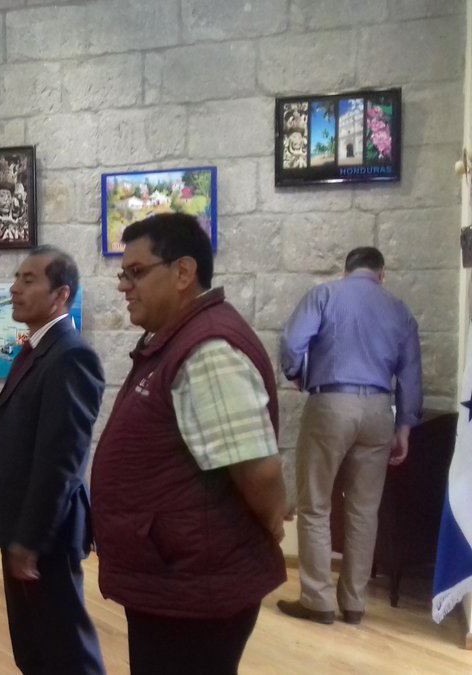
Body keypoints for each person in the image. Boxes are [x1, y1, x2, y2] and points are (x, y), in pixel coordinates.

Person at [92, 213, 287, 675]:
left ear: (183, 272)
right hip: (176, 577)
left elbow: (259, 471)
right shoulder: (178, 339)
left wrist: (272, 524)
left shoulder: (208, 349)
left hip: (195, 589)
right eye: (123, 274)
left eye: (136, 272)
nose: (124, 286)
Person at [0, 246, 106, 675]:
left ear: (61, 295)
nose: (14, 289)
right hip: (21, 522)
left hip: (45, 532)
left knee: (67, 652)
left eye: (28, 280)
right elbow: (23, 431)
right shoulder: (40, 349)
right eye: (16, 278)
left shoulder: (70, 356)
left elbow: (61, 460)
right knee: (34, 648)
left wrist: (32, 539)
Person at [277, 246, 422, 626]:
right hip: (379, 410)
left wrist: (296, 373)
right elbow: (411, 375)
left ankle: (317, 600)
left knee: (315, 504)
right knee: (364, 511)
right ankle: (355, 604)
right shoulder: (399, 310)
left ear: (346, 271)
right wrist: (405, 428)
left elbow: (292, 343)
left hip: (331, 403)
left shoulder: (324, 295)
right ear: (382, 275)